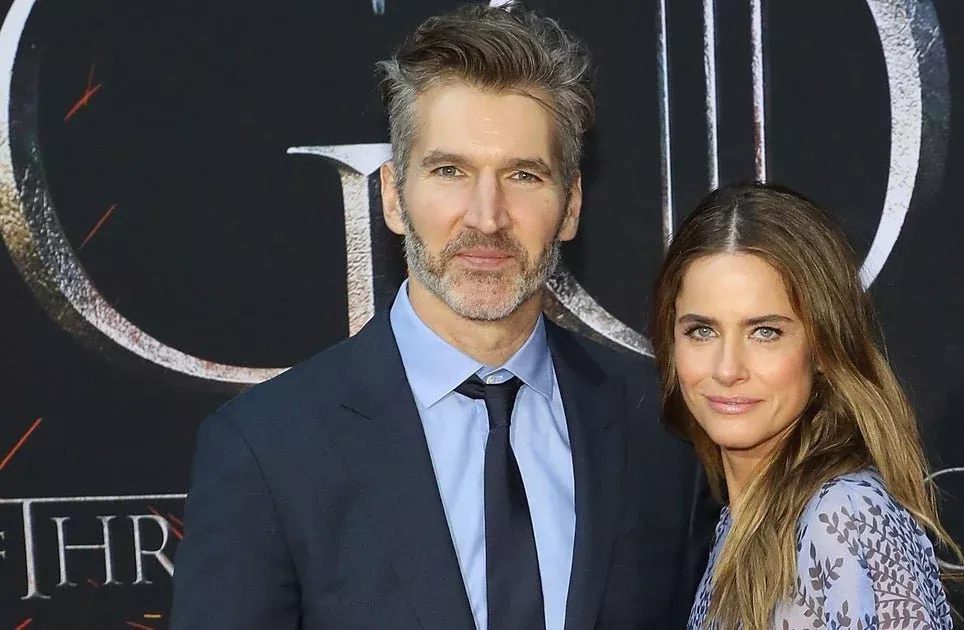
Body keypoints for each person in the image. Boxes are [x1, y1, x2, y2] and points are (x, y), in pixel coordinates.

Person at [169, 3, 714, 629]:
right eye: (449, 171)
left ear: (570, 207)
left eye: (524, 175)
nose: (487, 216)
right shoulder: (266, 449)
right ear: (394, 197)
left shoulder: (659, 427)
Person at [650, 182, 961, 630]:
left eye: (765, 332)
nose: (727, 368)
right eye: (702, 331)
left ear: (820, 348)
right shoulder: (740, 522)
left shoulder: (841, 516)